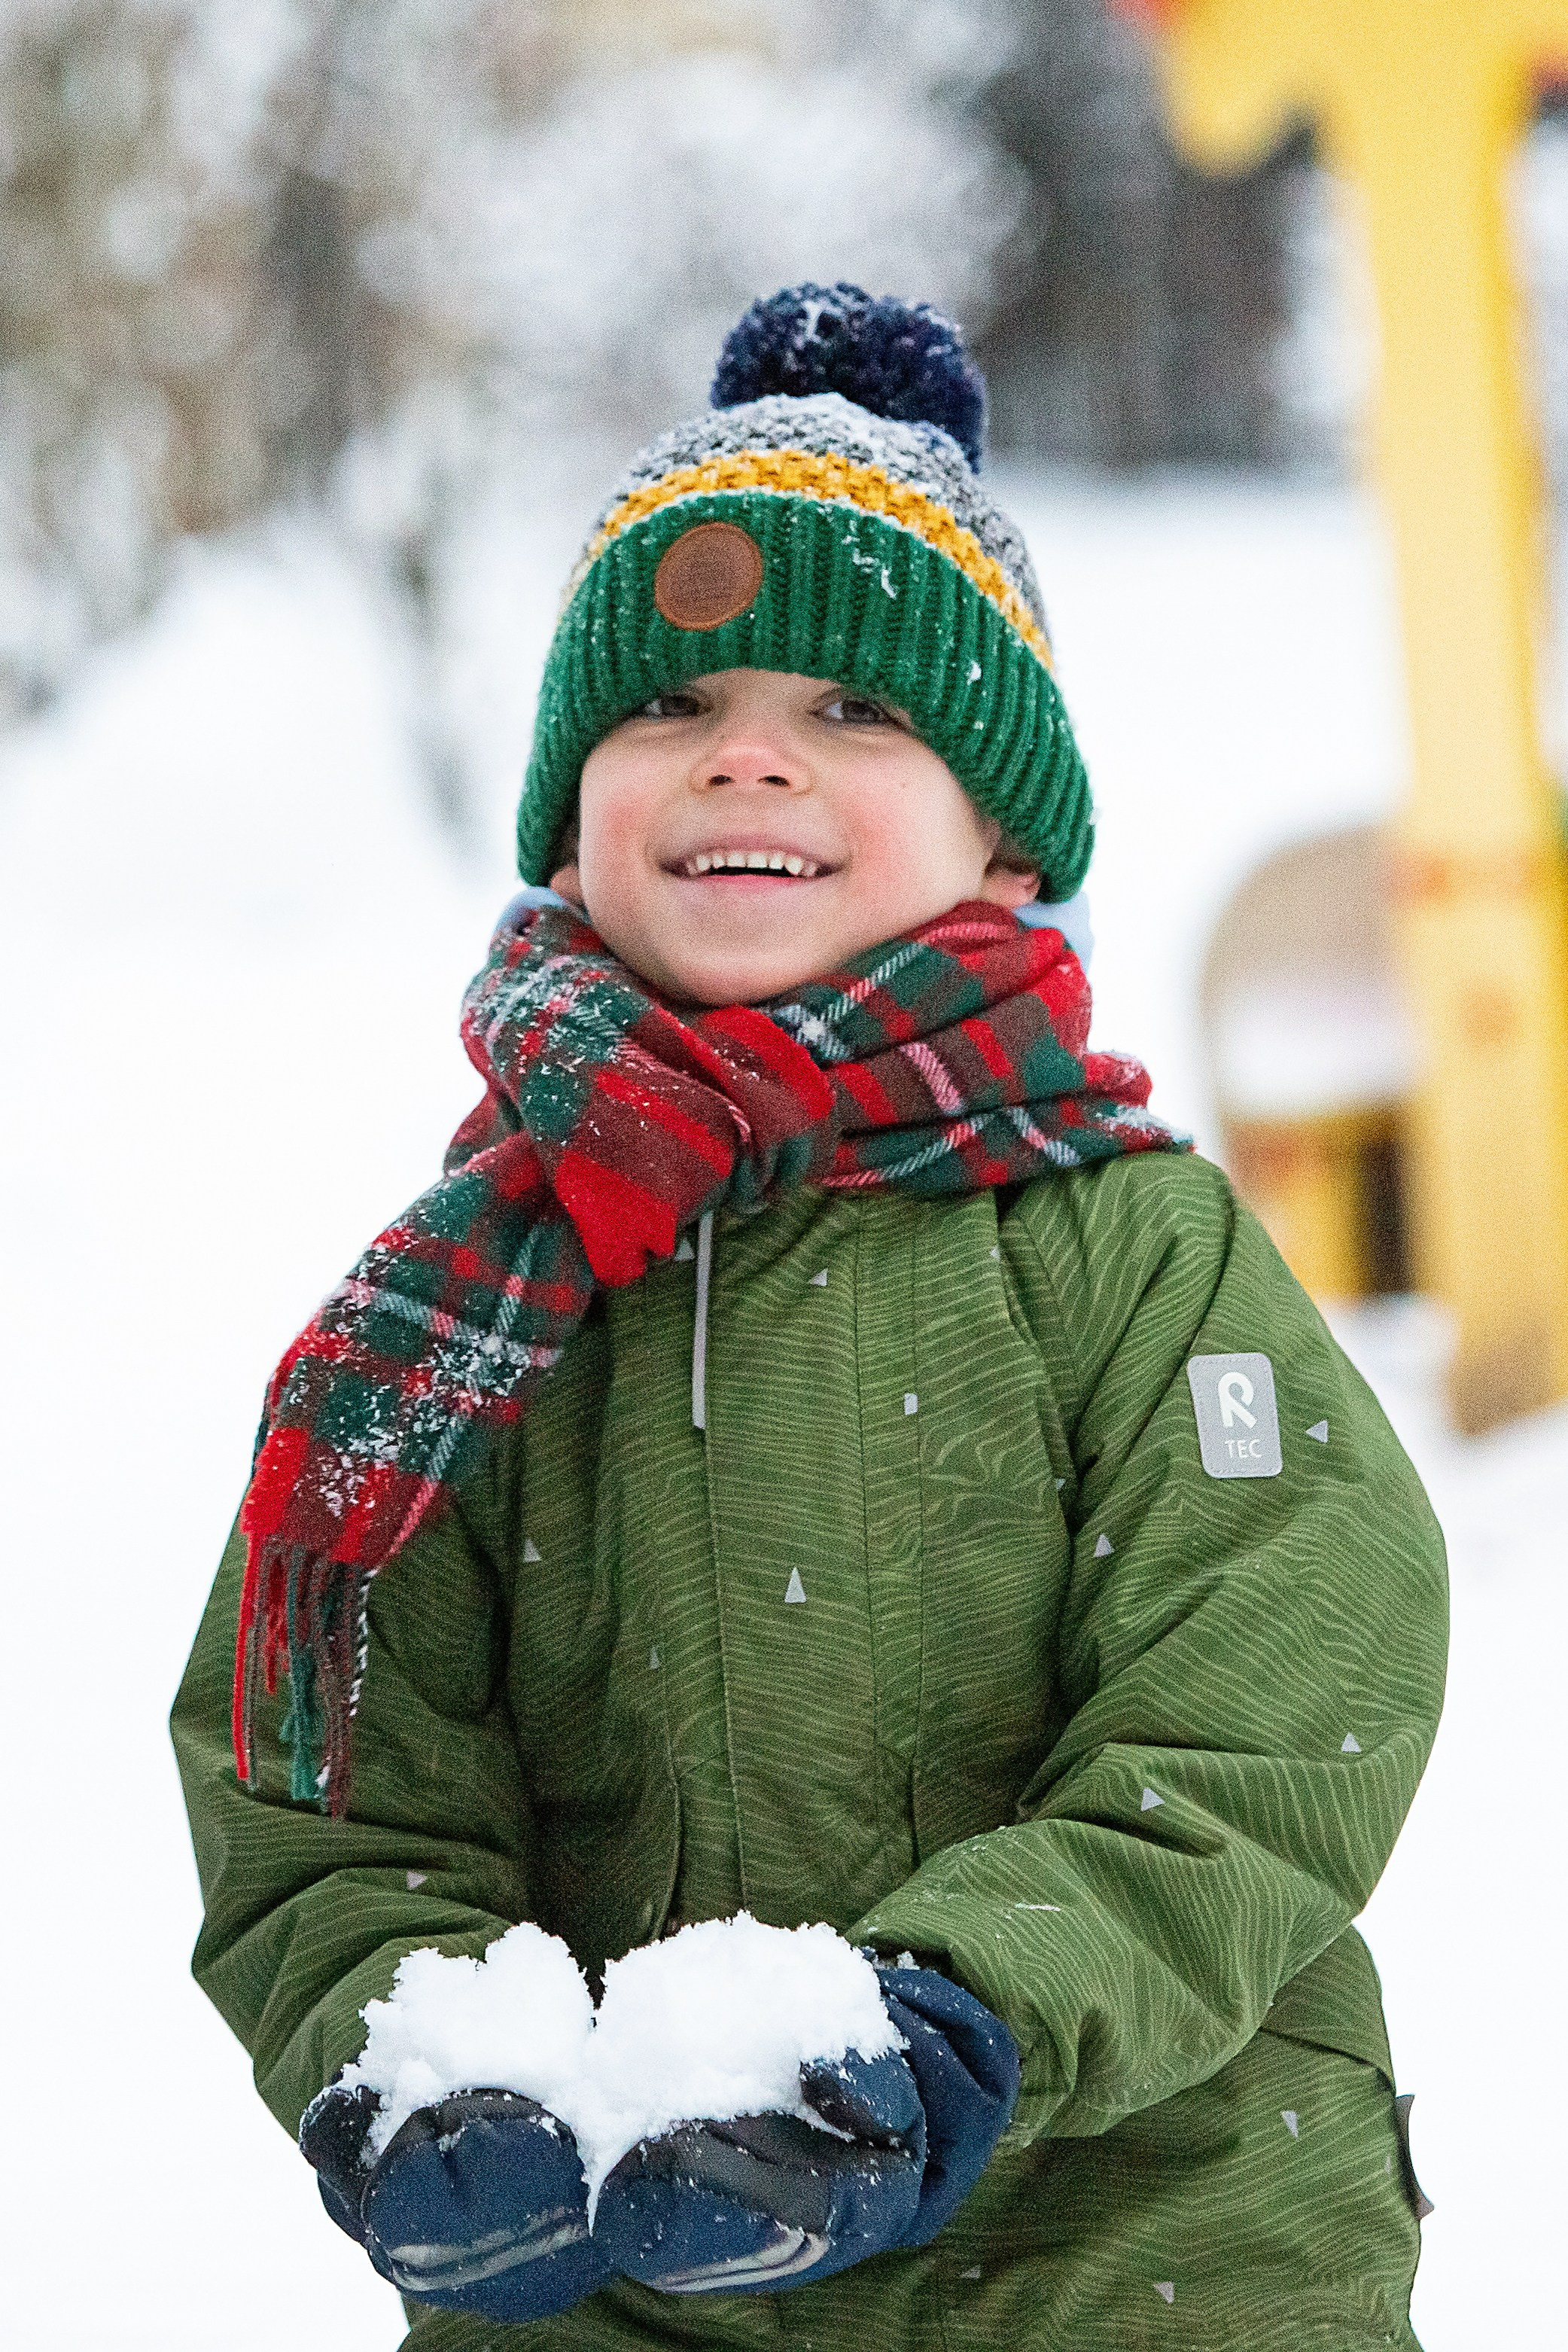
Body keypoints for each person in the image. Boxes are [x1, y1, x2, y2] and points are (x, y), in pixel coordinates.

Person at [173, 284, 1446, 2352]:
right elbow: (322, 1766)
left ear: (1000, 841)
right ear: (574, 815)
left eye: (856, 711)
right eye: (668, 706)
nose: (745, 747)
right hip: (627, 2271)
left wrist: (958, 2024)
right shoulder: (464, 1300)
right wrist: (411, 2056)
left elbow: (1270, 1708)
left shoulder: (1127, 1246)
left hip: (1149, 2242)